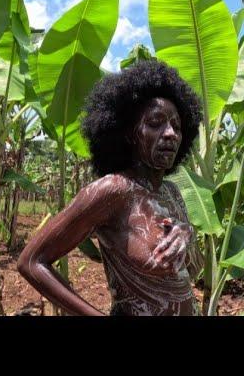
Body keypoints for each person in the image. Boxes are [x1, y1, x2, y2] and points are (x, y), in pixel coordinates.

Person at [17, 60, 203, 316]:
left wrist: (186, 234)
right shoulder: (113, 191)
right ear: (128, 133)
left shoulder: (172, 192)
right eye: (156, 122)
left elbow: (191, 272)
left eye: (177, 126)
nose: (170, 133)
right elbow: (30, 262)